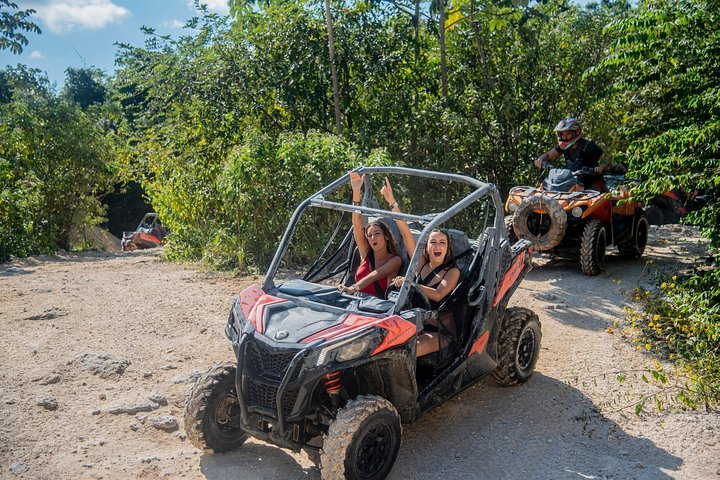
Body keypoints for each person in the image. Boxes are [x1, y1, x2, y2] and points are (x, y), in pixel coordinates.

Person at [381, 177, 461, 357]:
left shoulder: (452, 272)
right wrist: (392, 202)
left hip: (439, 332)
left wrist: (410, 283)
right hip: (414, 324)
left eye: (442, 243)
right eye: (433, 242)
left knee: (408, 350)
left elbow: (438, 294)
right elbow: (406, 234)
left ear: (448, 248)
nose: (437, 246)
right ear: (426, 247)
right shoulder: (422, 263)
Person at [338, 172, 402, 297]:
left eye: (377, 234)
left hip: (377, 308)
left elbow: (375, 275)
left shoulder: (395, 260)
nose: (373, 238)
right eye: (369, 235)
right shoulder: (366, 253)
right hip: (356, 302)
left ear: (386, 236)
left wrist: (353, 288)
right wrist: (356, 191)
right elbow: (356, 224)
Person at [534, 117, 609, 191]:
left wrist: (601, 167)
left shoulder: (589, 147)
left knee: (594, 198)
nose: (564, 137)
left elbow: (606, 159)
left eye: (568, 134)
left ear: (576, 132)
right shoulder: (564, 147)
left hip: (589, 182)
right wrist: (541, 159)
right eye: (562, 134)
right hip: (570, 181)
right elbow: (548, 155)